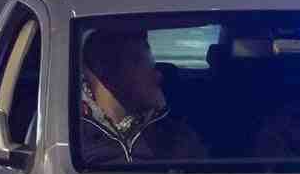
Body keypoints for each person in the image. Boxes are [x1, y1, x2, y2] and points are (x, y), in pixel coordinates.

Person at [80, 27, 207, 164]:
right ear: (103, 69)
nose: (158, 76)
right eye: (139, 61)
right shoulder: (71, 137)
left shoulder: (178, 137)